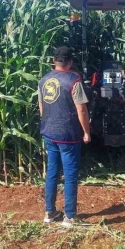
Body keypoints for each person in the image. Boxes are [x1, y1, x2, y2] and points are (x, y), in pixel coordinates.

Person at [39, 46, 91, 227]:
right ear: (70, 62)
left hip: (49, 132)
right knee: (70, 175)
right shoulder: (74, 81)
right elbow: (81, 109)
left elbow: (42, 107)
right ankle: (70, 216)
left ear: (54, 61)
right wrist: (86, 131)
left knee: (52, 172)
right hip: (68, 135)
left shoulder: (44, 80)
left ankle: (49, 212)